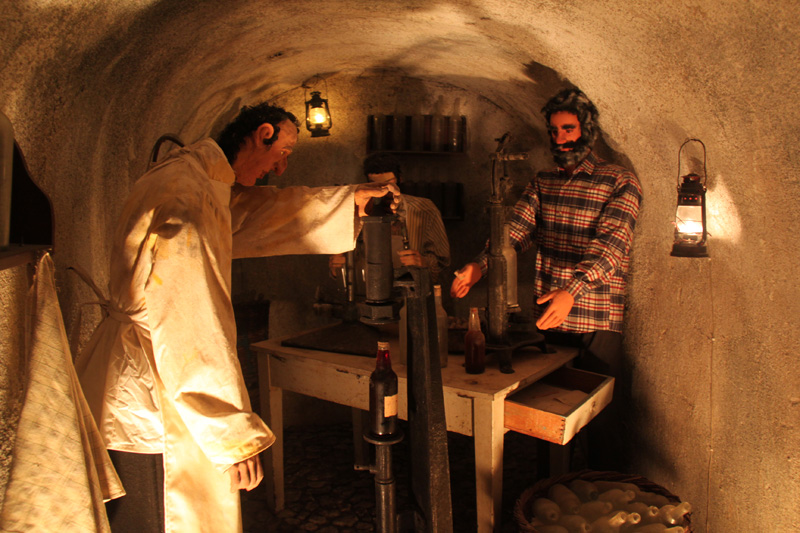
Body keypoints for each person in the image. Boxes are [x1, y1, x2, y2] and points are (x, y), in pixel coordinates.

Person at [75, 102, 399, 533]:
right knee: (158, 516)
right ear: (263, 133)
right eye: (282, 153)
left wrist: (348, 203)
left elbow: (251, 214)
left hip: (142, 376)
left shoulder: (197, 179)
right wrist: (231, 434)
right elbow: (190, 320)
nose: (281, 169)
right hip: (151, 395)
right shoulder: (185, 197)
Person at [450, 88, 642, 471]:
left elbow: (611, 246)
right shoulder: (544, 182)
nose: (560, 139)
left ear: (587, 130)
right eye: (554, 131)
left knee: (599, 418)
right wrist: (480, 266)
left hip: (595, 319)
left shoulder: (618, 181)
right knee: (547, 416)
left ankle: (600, 487)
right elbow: (514, 232)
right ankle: (548, 486)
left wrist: (572, 290)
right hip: (550, 320)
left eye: (568, 129)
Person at [329, 152, 450, 284]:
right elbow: (342, 266)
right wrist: (338, 267)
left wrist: (424, 262)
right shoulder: (355, 211)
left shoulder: (424, 209)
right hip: (368, 287)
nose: (382, 190)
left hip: (411, 289)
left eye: (388, 184)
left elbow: (443, 263)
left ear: (399, 179)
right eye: (374, 185)